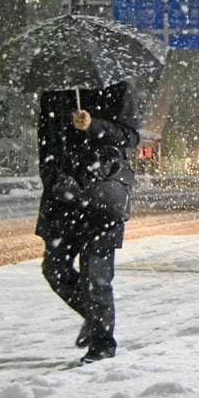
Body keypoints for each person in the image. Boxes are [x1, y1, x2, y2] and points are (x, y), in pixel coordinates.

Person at [36, 81, 140, 364]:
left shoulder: (117, 88)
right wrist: (55, 179)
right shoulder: (53, 91)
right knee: (55, 269)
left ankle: (102, 344)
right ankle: (95, 319)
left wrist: (94, 125)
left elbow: (130, 136)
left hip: (101, 193)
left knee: (96, 276)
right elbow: (45, 144)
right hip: (63, 196)